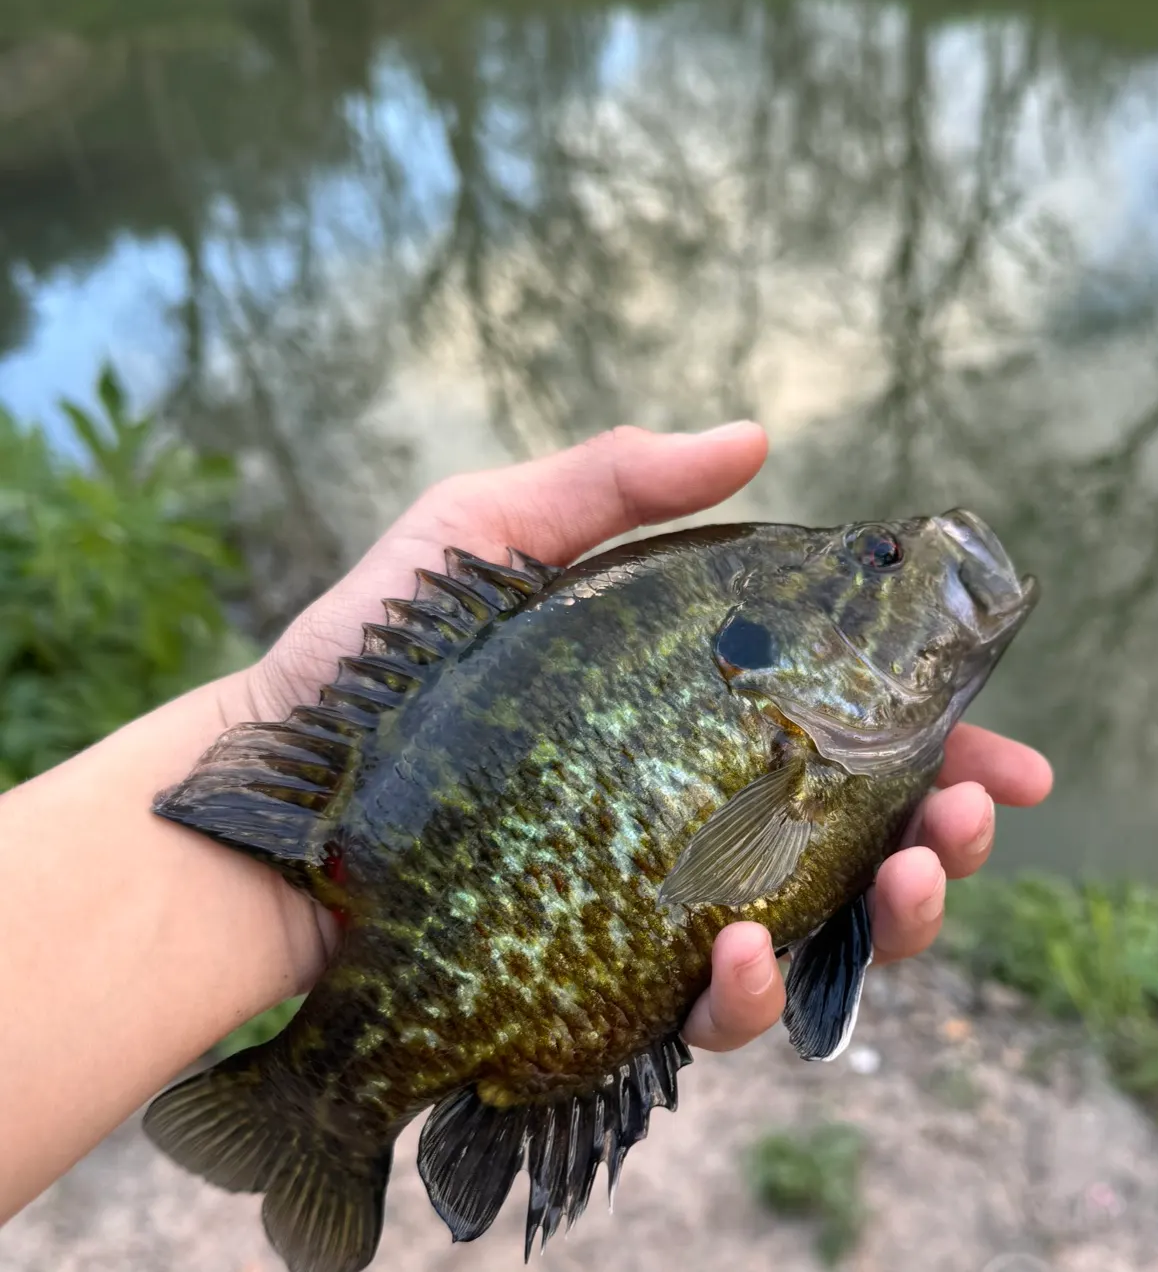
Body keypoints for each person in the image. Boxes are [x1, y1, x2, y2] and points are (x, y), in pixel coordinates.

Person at [0, 421, 1051, 1223]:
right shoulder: (787, 693)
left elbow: (762, 864)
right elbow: (735, 860)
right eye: (880, 557)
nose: (917, 555)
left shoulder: (840, 743)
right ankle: (327, 1092)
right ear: (763, 645)